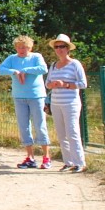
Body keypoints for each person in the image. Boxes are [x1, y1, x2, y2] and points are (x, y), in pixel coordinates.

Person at [0, 35, 52, 169]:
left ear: (30, 47)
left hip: (36, 96)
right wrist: (14, 71)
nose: (22, 50)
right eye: (19, 47)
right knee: (23, 126)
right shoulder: (12, 58)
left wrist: (25, 71)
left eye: (24, 47)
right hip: (19, 96)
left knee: (40, 125)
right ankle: (30, 157)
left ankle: (46, 156)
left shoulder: (36, 57)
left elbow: (43, 69)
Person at [45, 33, 88, 172]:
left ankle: (79, 162)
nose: (59, 49)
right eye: (57, 47)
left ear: (68, 48)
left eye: (62, 46)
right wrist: (52, 85)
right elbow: (47, 83)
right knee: (61, 134)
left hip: (71, 103)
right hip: (56, 103)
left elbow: (83, 83)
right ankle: (68, 161)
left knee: (72, 132)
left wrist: (65, 84)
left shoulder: (75, 64)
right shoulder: (53, 65)